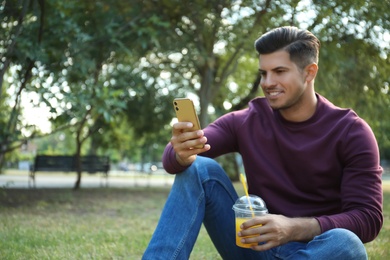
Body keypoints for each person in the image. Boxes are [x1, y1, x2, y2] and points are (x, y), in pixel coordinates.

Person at [142, 26, 383, 260]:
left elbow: (368, 218)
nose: (267, 82)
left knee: (347, 244)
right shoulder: (247, 120)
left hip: (316, 250)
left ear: (309, 72)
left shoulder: (352, 131)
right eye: (263, 73)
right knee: (197, 167)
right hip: (254, 247)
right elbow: (176, 158)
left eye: (279, 71)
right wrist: (181, 152)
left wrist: (293, 228)